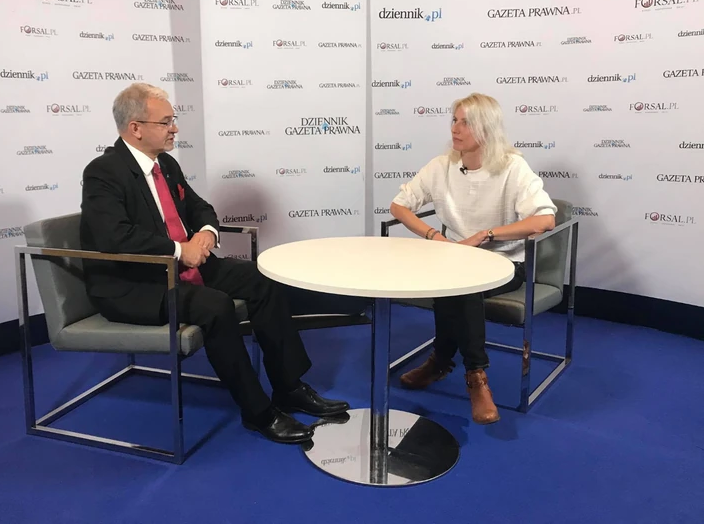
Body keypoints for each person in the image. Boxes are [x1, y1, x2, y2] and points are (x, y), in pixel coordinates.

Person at [80, 82, 349, 444]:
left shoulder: (166, 164)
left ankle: (289, 387)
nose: (174, 128)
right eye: (166, 122)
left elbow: (198, 207)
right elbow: (113, 236)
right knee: (216, 305)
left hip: (182, 268)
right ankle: (258, 411)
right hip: (134, 284)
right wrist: (180, 250)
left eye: (173, 120)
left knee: (263, 280)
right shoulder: (103, 172)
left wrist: (206, 233)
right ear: (136, 128)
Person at [389, 93, 556, 424]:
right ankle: (467, 372)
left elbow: (545, 220)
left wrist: (486, 235)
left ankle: (460, 368)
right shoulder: (442, 166)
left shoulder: (512, 167)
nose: (455, 128)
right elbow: (399, 205)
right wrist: (434, 236)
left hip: (506, 264)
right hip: (454, 260)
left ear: (486, 128)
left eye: (466, 122)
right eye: (454, 120)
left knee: (461, 285)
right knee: (456, 280)